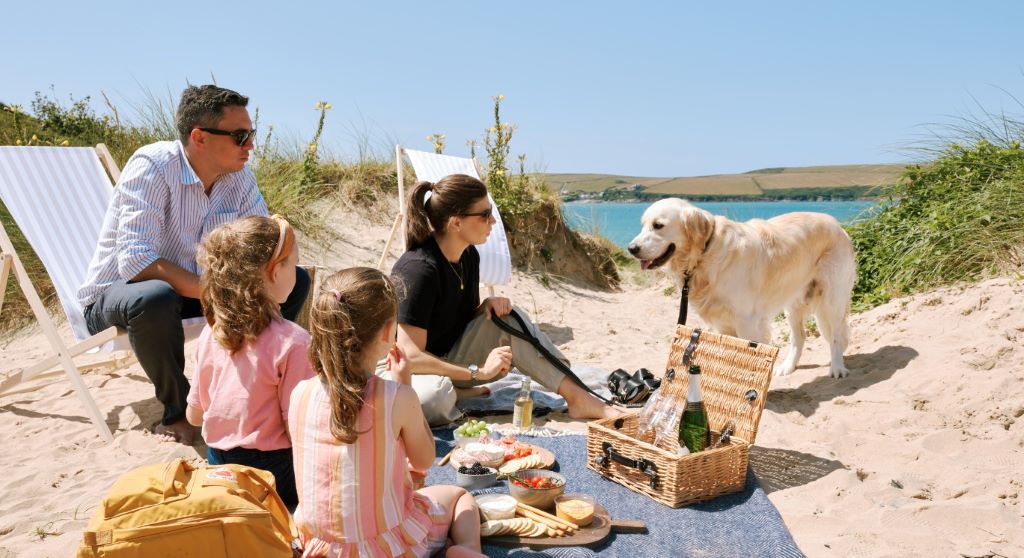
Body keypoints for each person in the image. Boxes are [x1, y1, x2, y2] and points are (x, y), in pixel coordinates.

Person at [77, 85, 310, 444]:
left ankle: (259, 378)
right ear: (199, 137)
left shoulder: (238, 176)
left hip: (194, 289)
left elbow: (262, 245)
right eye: (240, 136)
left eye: (251, 135)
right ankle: (175, 412)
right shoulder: (153, 166)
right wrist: (221, 290)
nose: (250, 145)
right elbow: (137, 261)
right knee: (154, 297)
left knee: (295, 279)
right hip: (119, 296)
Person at [390, 174, 620, 425]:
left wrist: (483, 309)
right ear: (456, 223)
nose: (493, 220)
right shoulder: (418, 269)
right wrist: (477, 372)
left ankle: (577, 397)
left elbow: (451, 323)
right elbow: (409, 355)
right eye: (485, 214)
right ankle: (457, 392)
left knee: (508, 317)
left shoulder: (468, 256)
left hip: (448, 358)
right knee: (431, 400)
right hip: (410, 369)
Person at [290, 267, 485, 558]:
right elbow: (422, 460)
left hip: (317, 546)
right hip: (384, 548)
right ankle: (466, 549)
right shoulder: (396, 397)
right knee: (458, 497)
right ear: (387, 330)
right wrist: (404, 384)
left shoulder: (300, 393)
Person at [184, 215, 314, 511]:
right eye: (293, 264)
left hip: (218, 462)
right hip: (272, 470)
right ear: (274, 271)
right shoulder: (293, 342)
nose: (298, 272)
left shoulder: (211, 333)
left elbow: (194, 415)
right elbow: (297, 429)